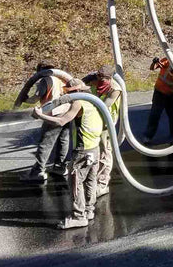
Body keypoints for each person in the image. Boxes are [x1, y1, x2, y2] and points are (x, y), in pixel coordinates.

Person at [33, 78, 105, 229]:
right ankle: (88, 210)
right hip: (94, 148)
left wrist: (40, 116)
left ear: (76, 92)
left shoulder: (79, 103)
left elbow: (61, 121)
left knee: (76, 183)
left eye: (70, 93)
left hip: (83, 150)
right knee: (90, 181)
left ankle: (78, 217)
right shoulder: (93, 101)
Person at [17, 60, 70, 182]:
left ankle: (38, 171)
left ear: (40, 71)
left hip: (52, 113)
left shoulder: (44, 81)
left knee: (46, 143)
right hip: (66, 111)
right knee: (63, 140)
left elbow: (36, 98)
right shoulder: (61, 78)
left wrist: (25, 99)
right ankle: (60, 167)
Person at [83, 64, 121, 197]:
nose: (100, 81)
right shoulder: (94, 80)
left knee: (105, 152)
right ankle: (90, 179)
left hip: (106, 123)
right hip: (93, 120)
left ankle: (102, 184)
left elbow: (104, 106)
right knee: (91, 150)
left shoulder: (115, 89)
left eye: (103, 79)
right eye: (98, 77)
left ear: (110, 78)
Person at [142, 45, 173, 144]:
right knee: (155, 114)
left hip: (171, 94)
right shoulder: (167, 61)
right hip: (159, 93)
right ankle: (148, 136)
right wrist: (154, 62)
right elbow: (152, 68)